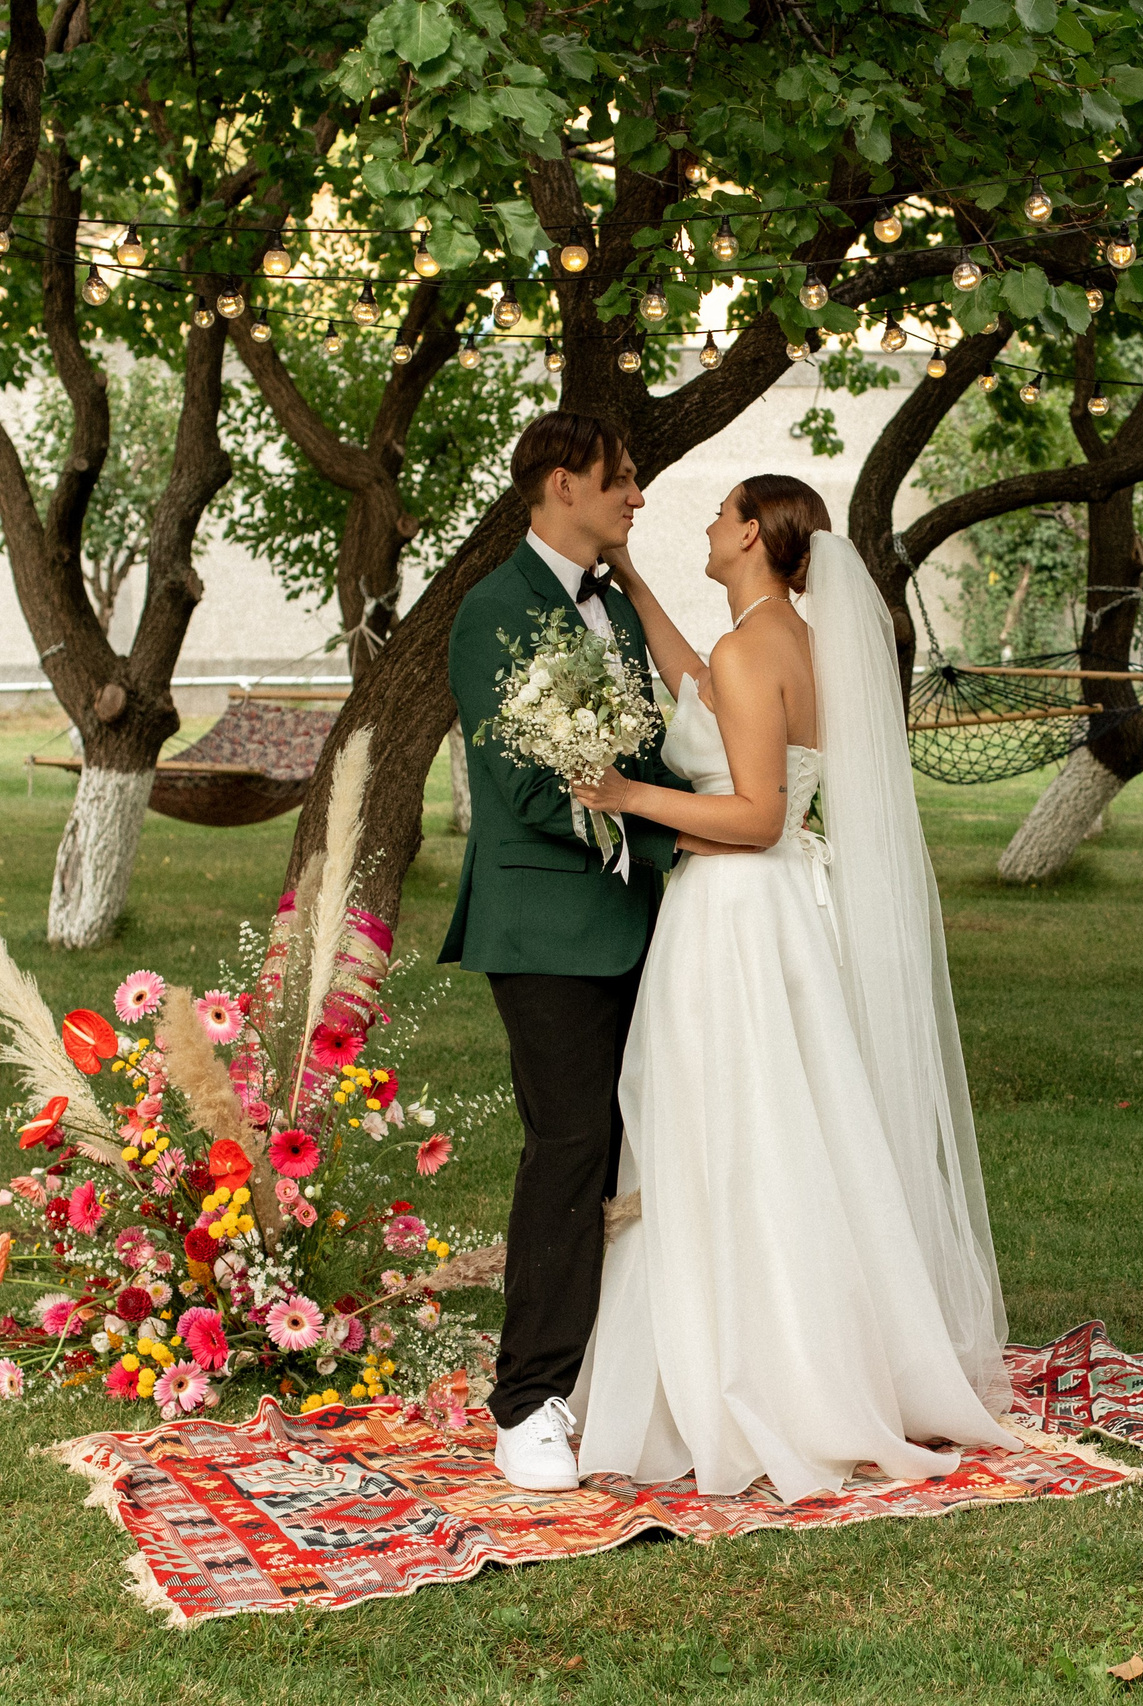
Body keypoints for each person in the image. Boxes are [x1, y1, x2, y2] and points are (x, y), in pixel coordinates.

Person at [563, 475, 1015, 1502]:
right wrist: (631, 580)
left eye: (723, 514)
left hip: (733, 912)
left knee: (717, 1130)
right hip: (781, 919)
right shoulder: (790, 642)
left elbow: (759, 812)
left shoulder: (749, 647)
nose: (707, 526)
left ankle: (729, 1375)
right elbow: (704, 693)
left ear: (756, 535)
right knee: (786, 1127)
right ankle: (807, 1352)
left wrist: (628, 793)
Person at [438, 412, 693, 1492]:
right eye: (619, 478)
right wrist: (696, 826)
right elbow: (530, 789)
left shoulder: (615, 610)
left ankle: (629, 1374)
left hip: (649, 916)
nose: (635, 497)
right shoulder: (493, 610)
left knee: (654, 1143)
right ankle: (527, 1398)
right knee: (570, 1145)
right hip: (546, 927)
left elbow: (636, 752)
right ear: (560, 484)